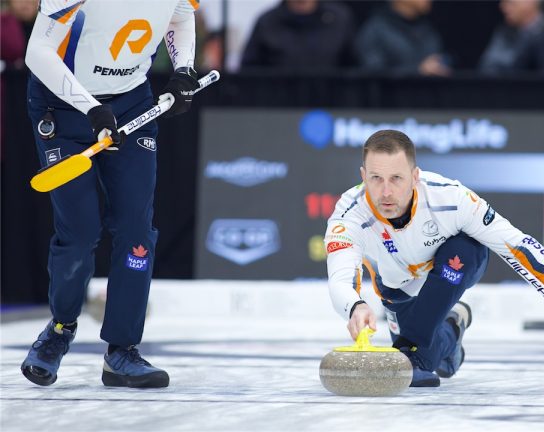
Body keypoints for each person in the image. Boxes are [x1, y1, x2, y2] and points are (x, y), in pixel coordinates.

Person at [20, 0, 203, 389]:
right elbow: (37, 52)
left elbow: (181, 17)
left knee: (136, 230)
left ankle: (122, 351)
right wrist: (90, 109)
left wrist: (183, 69)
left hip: (131, 100)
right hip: (63, 104)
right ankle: (59, 329)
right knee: (80, 232)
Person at [323, 130, 544, 387]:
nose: (386, 192)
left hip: (454, 268)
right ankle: (453, 326)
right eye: (376, 178)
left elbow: (514, 243)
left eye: (396, 178)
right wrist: (355, 306)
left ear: (415, 176)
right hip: (398, 289)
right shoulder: (349, 213)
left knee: (412, 351)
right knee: (435, 363)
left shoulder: (451, 198)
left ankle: (411, 346)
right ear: (362, 176)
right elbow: (341, 277)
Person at [240, 0, 355, 71]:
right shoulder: (267, 22)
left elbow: (354, 66)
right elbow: (249, 71)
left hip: (330, 105)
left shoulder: (339, 19)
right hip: (278, 105)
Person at [355, 0, 451, 77]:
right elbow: (373, 74)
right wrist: (417, 71)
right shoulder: (375, 30)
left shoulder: (428, 30)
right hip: (391, 100)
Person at [478, 0, 544, 75]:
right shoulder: (504, 33)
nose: (502, 7)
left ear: (530, 2)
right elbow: (487, 69)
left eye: (510, 2)